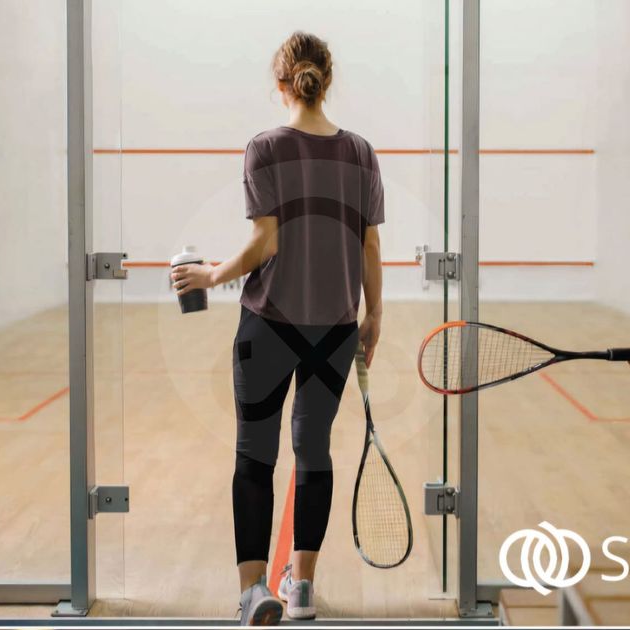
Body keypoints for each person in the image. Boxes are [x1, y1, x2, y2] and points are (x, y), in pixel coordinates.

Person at [171, 31, 385, 625]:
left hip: (269, 328)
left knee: (255, 456)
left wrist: (210, 275)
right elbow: (369, 245)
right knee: (313, 453)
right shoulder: (361, 153)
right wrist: (374, 316)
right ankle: (303, 588)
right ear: (325, 81)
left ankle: (253, 593)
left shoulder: (264, 148)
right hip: (335, 332)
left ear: (281, 82)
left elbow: (265, 241)